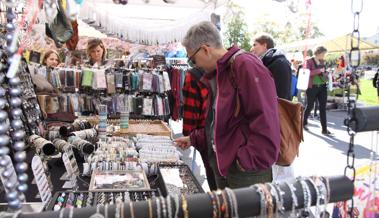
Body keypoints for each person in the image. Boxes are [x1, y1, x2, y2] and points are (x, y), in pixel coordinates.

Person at [175, 21, 280, 189]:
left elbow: (267, 120)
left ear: (205, 49)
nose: (195, 65)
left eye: (193, 59)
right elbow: (219, 121)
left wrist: (245, 160)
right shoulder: (220, 72)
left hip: (246, 172)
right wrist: (195, 138)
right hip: (228, 165)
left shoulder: (245, 65)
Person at [182, 67, 217, 190]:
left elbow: (191, 107)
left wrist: (189, 135)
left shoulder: (193, 75)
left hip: (205, 134)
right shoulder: (224, 70)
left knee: (213, 175)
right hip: (222, 136)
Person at [251, 34, 292, 100]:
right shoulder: (267, 61)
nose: (251, 49)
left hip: (274, 108)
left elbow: (280, 95)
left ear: (264, 45)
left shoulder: (279, 63)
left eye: (254, 45)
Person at [303, 46, 333, 136]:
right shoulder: (308, 61)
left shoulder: (323, 62)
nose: (324, 56)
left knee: (322, 108)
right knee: (310, 106)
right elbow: (307, 73)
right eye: (323, 54)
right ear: (318, 53)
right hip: (312, 87)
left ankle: (324, 129)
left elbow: (323, 73)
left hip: (322, 87)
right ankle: (303, 122)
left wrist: (327, 73)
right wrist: (319, 70)